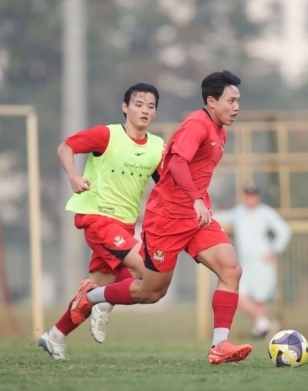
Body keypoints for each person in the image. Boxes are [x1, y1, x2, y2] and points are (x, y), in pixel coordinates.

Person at [67, 70, 253, 365]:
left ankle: (220, 346)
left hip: (196, 218)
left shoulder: (220, 130)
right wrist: (194, 199)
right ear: (211, 101)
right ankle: (90, 297)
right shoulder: (197, 124)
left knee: (231, 271)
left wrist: (199, 203)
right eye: (231, 101)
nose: (236, 107)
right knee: (150, 292)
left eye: (238, 101)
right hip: (167, 219)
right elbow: (178, 164)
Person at [38, 83, 164, 360]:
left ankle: (55, 336)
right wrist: (73, 177)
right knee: (147, 273)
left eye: (151, 106)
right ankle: (103, 302)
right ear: (125, 107)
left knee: (100, 286)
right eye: (139, 104)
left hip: (126, 225)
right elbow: (65, 147)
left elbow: (167, 184)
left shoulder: (157, 147)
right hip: (98, 220)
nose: (145, 110)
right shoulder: (106, 135)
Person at [214, 183, 291, 338]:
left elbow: (284, 230)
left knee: (261, 299)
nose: (250, 199)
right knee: (240, 295)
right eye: (248, 196)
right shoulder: (238, 212)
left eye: (253, 196)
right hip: (244, 263)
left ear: (258, 197)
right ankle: (263, 323)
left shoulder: (266, 213)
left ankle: (260, 330)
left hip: (262, 262)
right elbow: (220, 218)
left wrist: (275, 250)